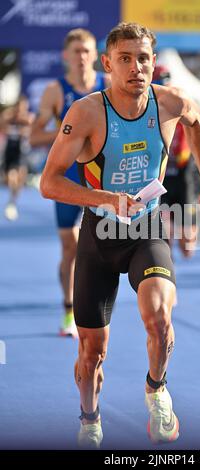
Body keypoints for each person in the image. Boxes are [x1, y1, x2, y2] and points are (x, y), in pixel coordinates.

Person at [40, 22, 200, 449]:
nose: (136, 67)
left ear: (154, 63)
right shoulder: (86, 113)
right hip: (99, 234)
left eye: (143, 58)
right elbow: (49, 183)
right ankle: (89, 418)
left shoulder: (170, 102)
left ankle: (157, 389)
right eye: (125, 58)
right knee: (92, 352)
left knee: (159, 318)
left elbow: (196, 125)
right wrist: (105, 198)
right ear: (108, 64)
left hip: (149, 228)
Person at [30, 28, 109, 338]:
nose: (82, 57)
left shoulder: (108, 86)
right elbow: (35, 136)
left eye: (87, 50)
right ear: (66, 55)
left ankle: (97, 306)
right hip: (68, 178)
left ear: (97, 56)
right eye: (76, 51)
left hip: (100, 176)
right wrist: (71, 133)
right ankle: (68, 309)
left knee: (104, 244)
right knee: (70, 246)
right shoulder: (55, 90)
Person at [153, 65, 200, 257]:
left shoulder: (182, 101)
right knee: (164, 233)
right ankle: (165, 268)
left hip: (184, 172)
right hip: (160, 173)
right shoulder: (145, 102)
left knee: (188, 244)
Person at [1, 95, 34, 221]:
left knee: (20, 180)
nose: (21, 110)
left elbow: (31, 128)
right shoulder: (9, 117)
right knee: (11, 177)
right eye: (19, 107)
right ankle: (11, 202)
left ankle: (12, 201)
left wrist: (24, 129)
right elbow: (3, 125)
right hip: (10, 151)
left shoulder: (28, 118)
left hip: (22, 152)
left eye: (23, 107)